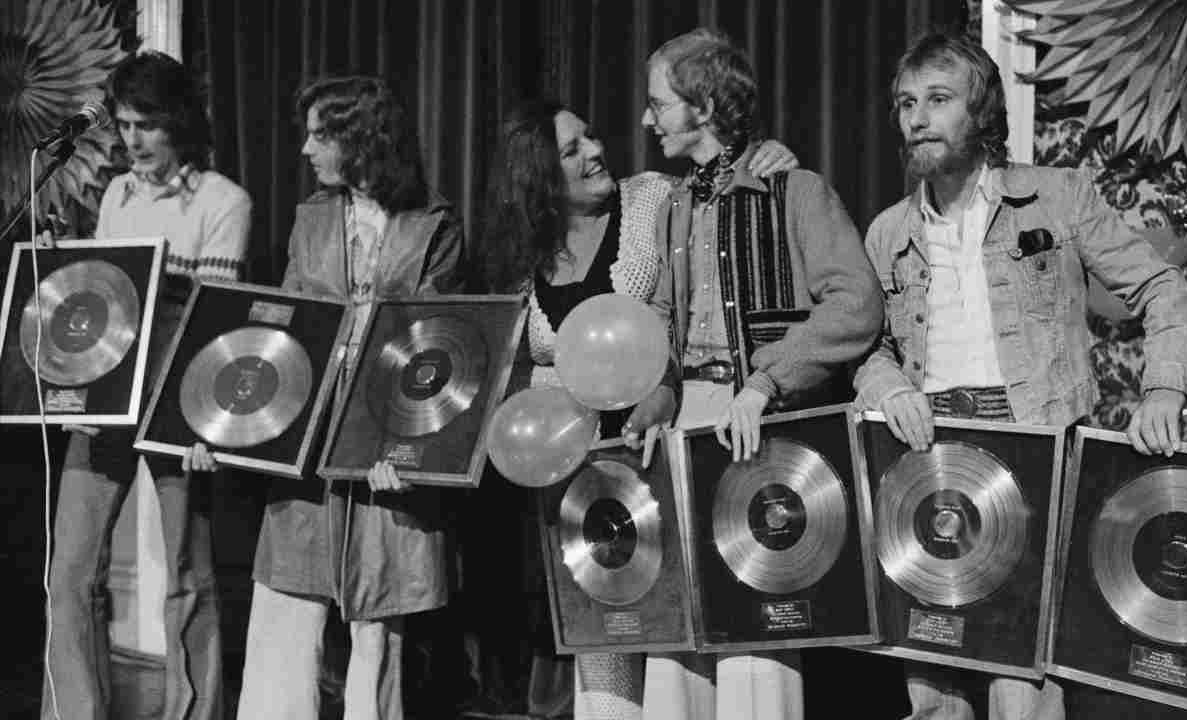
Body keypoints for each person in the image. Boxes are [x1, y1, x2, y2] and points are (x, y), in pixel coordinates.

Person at [851, 31, 1187, 720]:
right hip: (924, 454)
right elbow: (866, 348)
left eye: (937, 99)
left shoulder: (1059, 197)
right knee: (932, 685)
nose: (917, 119)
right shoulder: (886, 231)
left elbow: (1163, 288)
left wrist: (1164, 387)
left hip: (1034, 449)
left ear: (981, 111)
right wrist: (888, 388)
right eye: (905, 104)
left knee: (1021, 685)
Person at [471, 99, 797, 720]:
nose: (596, 152)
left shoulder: (652, 197)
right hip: (582, 474)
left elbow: (721, 204)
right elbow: (520, 368)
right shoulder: (522, 260)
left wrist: (768, 158)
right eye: (572, 150)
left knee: (683, 645)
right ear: (538, 176)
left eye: (591, 136)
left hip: (665, 448)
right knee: (605, 640)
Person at [191, 75, 463, 720]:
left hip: (385, 442)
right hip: (308, 445)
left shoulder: (433, 224)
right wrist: (223, 429)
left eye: (320, 135)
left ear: (361, 138)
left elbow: (441, 345)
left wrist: (410, 452)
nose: (306, 149)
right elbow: (282, 333)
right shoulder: (311, 216)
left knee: (379, 625)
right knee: (285, 611)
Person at [637, 27, 884, 720]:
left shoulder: (795, 190)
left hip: (762, 423)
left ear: (704, 105)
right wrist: (656, 391)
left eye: (659, 103)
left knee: (757, 628)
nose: (648, 120)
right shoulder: (674, 205)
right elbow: (662, 315)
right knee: (678, 632)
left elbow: (857, 305)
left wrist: (766, 380)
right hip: (687, 422)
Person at [41, 50, 251, 720]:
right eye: (125, 125)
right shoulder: (116, 195)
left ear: (179, 122)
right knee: (69, 574)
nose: (132, 139)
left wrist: (202, 426)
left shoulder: (223, 201)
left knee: (188, 576)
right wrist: (83, 386)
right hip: (109, 403)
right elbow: (106, 305)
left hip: (176, 404)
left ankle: (196, 712)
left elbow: (216, 324)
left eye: (147, 125)